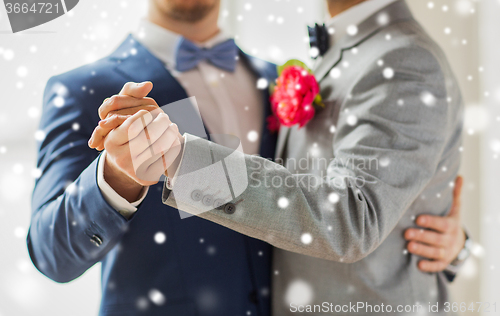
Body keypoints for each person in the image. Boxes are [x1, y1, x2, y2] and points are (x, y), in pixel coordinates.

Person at [28, 0, 467, 315]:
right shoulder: (86, 90)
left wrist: (439, 236)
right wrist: (115, 178)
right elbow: (52, 255)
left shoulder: (276, 79)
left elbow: (340, 202)